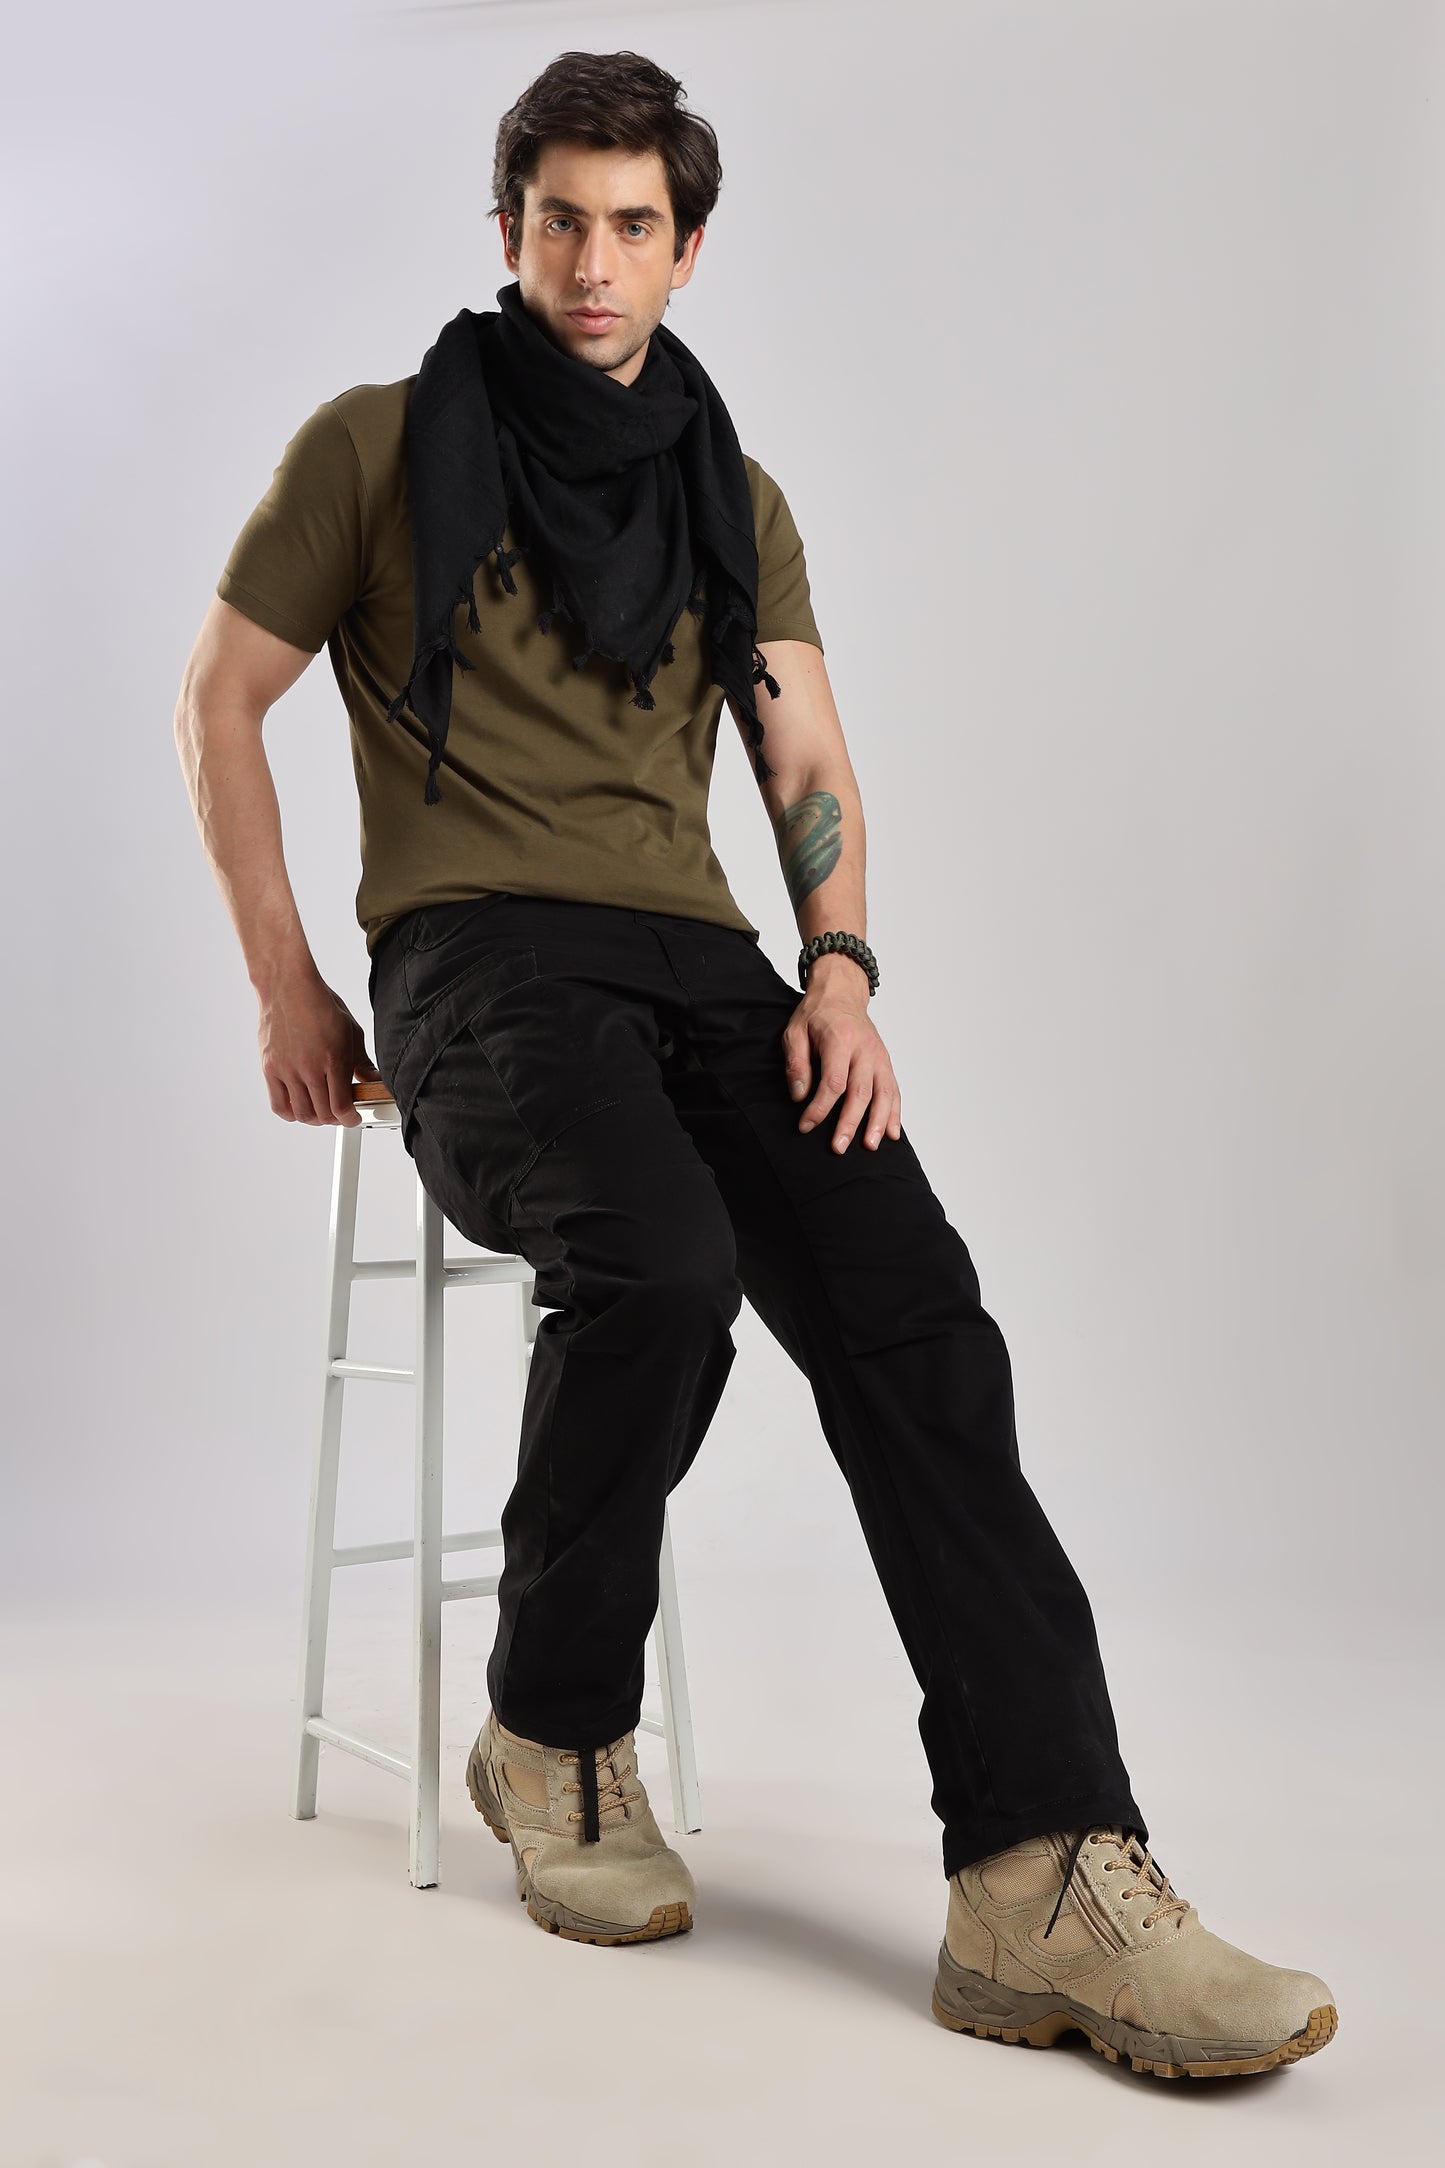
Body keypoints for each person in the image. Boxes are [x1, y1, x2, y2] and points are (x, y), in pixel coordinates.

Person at [175, 47, 1337, 2082]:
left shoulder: (730, 490)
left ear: (688, 248)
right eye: (561, 220)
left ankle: (1042, 1873)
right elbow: (220, 697)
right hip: (477, 963)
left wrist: (841, 968)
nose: (596, 261)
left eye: (636, 226)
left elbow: (803, 757)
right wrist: (288, 985)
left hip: (708, 968)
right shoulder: (373, 447)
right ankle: (550, 1732)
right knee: (663, 1267)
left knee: (918, 1315)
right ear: (509, 228)